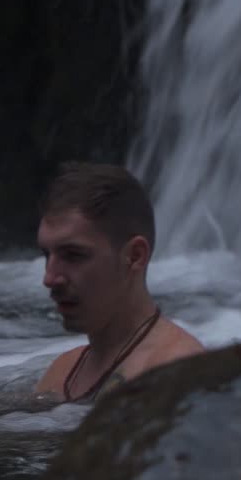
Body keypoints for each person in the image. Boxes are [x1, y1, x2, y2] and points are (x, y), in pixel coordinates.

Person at [34, 162, 204, 403]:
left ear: (135, 256)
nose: (49, 278)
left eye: (73, 255)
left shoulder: (178, 371)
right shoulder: (60, 373)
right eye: (46, 255)